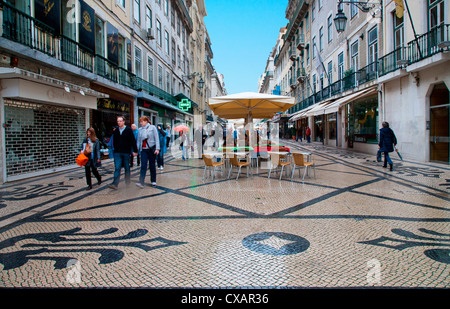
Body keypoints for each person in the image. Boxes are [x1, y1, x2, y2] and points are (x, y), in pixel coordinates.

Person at [108, 116, 138, 190]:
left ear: (124, 121)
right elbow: (114, 141)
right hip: (117, 152)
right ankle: (115, 183)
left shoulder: (128, 130)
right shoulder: (116, 131)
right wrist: (114, 150)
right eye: (118, 121)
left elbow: (133, 141)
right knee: (117, 168)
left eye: (120, 121)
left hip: (126, 152)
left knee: (127, 168)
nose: (119, 123)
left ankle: (127, 182)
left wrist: (135, 150)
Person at [136, 116, 160, 188]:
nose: (140, 123)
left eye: (142, 122)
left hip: (151, 149)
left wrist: (157, 149)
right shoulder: (140, 130)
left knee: (152, 165)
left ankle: (153, 181)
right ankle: (141, 182)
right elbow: (138, 140)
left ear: (146, 121)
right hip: (143, 149)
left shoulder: (152, 128)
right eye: (140, 122)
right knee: (143, 165)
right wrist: (137, 150)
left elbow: (157, 138)